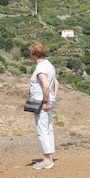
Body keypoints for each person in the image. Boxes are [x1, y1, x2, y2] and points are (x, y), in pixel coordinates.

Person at [28, 41, 58, 170]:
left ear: (34, 54)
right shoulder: (49, 66)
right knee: (48, 128)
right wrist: (52, 97)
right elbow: (56, 84)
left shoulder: (40, 68)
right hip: (48, 100)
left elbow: (45, 85)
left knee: (42, 130)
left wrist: (45, 101)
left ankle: (47, 159)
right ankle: (49, 156)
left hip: (41, 101)